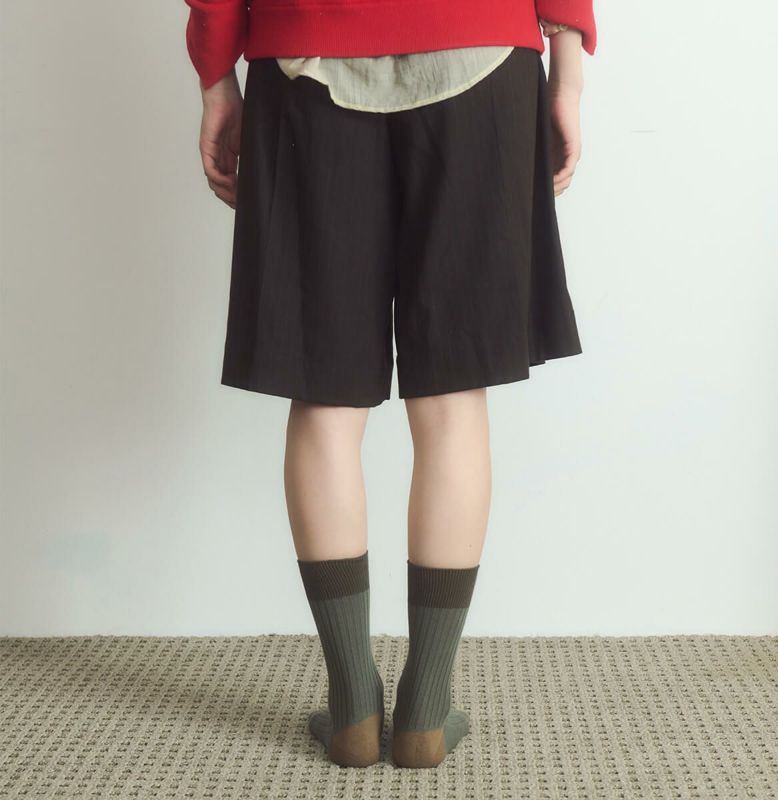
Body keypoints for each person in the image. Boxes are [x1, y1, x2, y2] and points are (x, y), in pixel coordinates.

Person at [184, 0, 596, 770]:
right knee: (452, 399)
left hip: (307, 57)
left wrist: (216, 79)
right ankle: (425, 711)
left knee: (326, 396)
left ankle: (351, 706)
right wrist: (567, 73)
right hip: (480, 50)